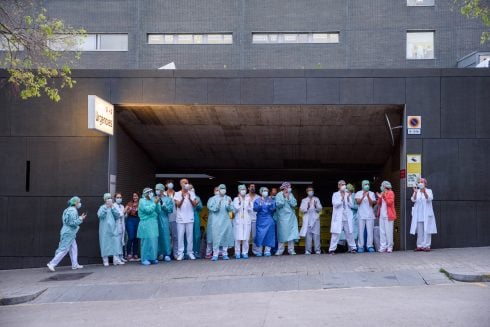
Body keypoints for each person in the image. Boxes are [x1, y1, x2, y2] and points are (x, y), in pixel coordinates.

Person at [47, 196, 86, 272]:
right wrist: (81, 218)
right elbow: (72, 223)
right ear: (75, 203)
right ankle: (52, 263)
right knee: (64, 249)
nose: (79, 203)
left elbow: (69, 221)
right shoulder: (73, 210)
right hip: (69, 232)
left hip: (68, 232)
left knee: (74, 248)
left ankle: (75, 264)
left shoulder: (67, 210)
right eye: (78, 202)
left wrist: (79, 218)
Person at [207, 184, 234, 261]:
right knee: (216, 237)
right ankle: (215, 254)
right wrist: (218, 205)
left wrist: (229, 205)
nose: (223, 190)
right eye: (221, 188)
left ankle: (225, 254)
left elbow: (231, 209)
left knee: (225, 237)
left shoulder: (228, 198)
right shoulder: (213, 199)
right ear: (218, 189)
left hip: (226, 221)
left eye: (224, 188)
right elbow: (211, 208)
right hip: (216, 221)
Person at [329, 180, 357, 254]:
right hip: (338, 217)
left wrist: (347, 198)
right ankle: (332, 249)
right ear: (338, 186)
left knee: (349, 233)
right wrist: (342, 198)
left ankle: (353, 248)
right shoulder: (335, 194)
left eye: (344, 184)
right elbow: (335, 204)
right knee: (336, 233)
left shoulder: (348, 193)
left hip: (347, 216)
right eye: (342, 184)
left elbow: (351, 205)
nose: (343, 186)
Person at [174, 178, 199, 260]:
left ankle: (190, 252)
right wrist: (183, 197)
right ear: (181, 184)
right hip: (180, 219)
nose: (186, 184)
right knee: (180, 237)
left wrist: (190, 197)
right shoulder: (177, 193)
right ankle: (180, 253)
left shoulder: (191, 193)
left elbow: (195, 205)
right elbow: (178, 205)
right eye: (184, 183)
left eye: (187, 183)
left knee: (190, 237)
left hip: (190, 218)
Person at [410, 177, 437, 252]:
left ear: (425, 183)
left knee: (427, 230)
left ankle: (427, 246)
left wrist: (424, 192)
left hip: (427, 214)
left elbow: (430, 198)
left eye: (421, 182)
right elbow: (413, 199)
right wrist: (415, 192)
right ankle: (419, 246)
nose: (420, 183)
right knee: (420, 231)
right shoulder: (417, 191)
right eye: (419, 182)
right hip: (419, 215)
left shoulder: (429, 190)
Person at [98, 193, 125, 266]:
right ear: (104, 199)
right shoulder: (102, 207)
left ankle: (116, 260)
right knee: (105, 244)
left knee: (115, 243)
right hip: (104, 229)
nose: (109, 199)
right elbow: (100, 215)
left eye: (110, 198)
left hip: (113, 228)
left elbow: (117, 215)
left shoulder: (113, 207)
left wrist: (112, 207)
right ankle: (105, 260)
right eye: (107, 198)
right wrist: (106, 208)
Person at [275, 182, 299, 256]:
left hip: (291, 217)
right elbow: (278, 205)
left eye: (289, 187)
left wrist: (288, 197)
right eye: (287, 187)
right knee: (282, 233)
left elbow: (294, 204)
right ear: (284, 188)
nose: (288, 188)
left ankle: (291, 250)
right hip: (282, 218)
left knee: (291, 234)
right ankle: (280, 250)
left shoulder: (291, 195)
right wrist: (284, 197)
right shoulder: (279, 195)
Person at [138, 187, 161, 265]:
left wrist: (157, 203)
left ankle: (152, 258)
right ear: (145, 193)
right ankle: (144, 258)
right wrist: (155, 203)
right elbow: (148, 211)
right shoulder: (142, 201)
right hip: (146, 224)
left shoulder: (153, 200)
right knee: (146, 242)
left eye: (151, 192)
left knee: (154, 241)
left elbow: (158, 211)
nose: (151, 193)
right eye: (149, 192)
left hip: (153, 223)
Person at [253, 187, 276, 257]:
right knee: (260, 235)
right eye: (264, 191)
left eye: (266, 191)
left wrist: (270, 205)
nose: (265, 192)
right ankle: (259, 251)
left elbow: (273, 209)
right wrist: (260, 204)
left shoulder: (271, 200)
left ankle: (267, 251)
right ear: (261, 192)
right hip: (260, 220)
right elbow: (255, 209)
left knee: (269, 235)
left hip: (269, 219)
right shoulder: (257, 200)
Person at [299, 186, 323, 255]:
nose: (311, 192)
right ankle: (308, 250)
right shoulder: (304, 200)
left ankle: (317, 250)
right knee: (308, 236)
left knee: (316, 235)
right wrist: (307, 207)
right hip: (307, 219)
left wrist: (316, 206)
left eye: (312, 190)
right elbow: (301, 209)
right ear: (307, 192)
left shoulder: (316, 199)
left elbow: (320, 208)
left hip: (315, 219)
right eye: (309, 190)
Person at [233, 184, 253, 259]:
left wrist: (249, 202)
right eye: (241, 189)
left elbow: (251, 209)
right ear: (239, 191)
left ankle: (245, 252)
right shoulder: (235, 199)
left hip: (246, 220)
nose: (243, 191)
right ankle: (237, 253)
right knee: (238, 238)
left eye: (244, 189)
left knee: (246, 238)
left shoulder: (248, 198)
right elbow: (236, 208)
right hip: (238, 220)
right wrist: (240, 202)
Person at [355, 180, 376, 253]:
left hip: (370, 215)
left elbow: (372, 204)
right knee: (360, 231)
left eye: (368, 184)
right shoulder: (358, 193)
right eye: (365, 184)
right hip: (361, 214)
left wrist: (368, 196)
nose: (367, 185)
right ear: (362, 185)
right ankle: (360, 246)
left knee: (370, 231)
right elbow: (358, 202)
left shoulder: (372, 193)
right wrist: (363, 196)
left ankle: (369, 246)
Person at [376, 181, 397, 253]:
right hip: (382, 215)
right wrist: (379, 198)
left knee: (389, 232)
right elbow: (379, 203)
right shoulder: (382, 193)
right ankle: (383, 246)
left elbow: (390, 203)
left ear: (385, 186)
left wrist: (384, 196)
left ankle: (390, 247)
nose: (381, 187)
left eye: (382, 185)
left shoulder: (391, 192)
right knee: (382, 232)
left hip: (389, 216)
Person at [155, 183, 173, 262]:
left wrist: (163, 205)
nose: (157, 191)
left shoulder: (168, 199)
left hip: (164, 218)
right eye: (156, 189)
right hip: (155, 219)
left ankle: (166, 254)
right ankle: (158, 253)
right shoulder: (153, 198)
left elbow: (170, 210)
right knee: (156, 237)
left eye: (158, 189)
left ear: (162, 190)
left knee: (165, 236)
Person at [164, 179, 178, 259]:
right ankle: (167, 253)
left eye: (171, 183)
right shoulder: (164, 194)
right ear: (166, 185)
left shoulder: (176, 194)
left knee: (175, 236)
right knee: (167, 237)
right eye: (168, 183)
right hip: (165, 218)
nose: (170, 184)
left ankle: (175, 253)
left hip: (175, 218)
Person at [124, 192, 140, 261]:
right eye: (134, 196)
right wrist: (128, 211)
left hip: (138, 220)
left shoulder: (141, 203)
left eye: (136, 196)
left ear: (138, 197)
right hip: (130, 220)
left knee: (136, 237)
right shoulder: (129, 203)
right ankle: (129, 253)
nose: (135, 197)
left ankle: (135, 253)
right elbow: (124, 212)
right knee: (131, 237)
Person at [205, 186, 220, 259]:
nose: (217, 191)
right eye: (216, 190)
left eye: (218, 190)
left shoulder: (223, 199)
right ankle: (208, 252)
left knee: (220, 236)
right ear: (214, 192)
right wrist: (217, 207)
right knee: (210, 237)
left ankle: (219, 252)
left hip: (220, 221)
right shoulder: (211, 199)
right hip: (212, 220)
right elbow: (209, 207)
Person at [190, 184, 203, 258]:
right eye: (190, 188)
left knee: (197, 235)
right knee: (188, 235)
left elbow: (200, 208)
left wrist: (197, 204)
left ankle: (196, 251)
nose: (192, 189)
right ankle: (187, 252)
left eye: (192, 188)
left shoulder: (197, 197)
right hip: (187, 216)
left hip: (195, 216)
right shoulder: (186, 197)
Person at [247, 184, 260, 256]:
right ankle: (245, 251)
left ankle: (256, 251)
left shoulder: (258, 197)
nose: (252, 188)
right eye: (251, 186)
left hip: (255, 219)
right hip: (247, 219)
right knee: (246, 236)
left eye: (254, 187)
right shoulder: (245, 197)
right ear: (248, 188)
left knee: (255, 236)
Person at [113, 193, 127, 263]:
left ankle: (121, 257)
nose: (119, 199)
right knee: (116, 243)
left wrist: (126, 212)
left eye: (120, 197)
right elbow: (118, 215)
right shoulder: (113, 206)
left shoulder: (122, 206)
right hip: (116, 226)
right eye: (118, 197)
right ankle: (116, 259)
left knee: (121, 242)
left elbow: (124, 216)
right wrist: (124, 212)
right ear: (115, 198)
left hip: (122, 226)